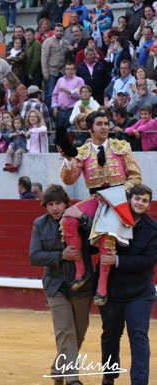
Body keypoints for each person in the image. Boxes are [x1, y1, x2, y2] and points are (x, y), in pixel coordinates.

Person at [60, 111, 142, 306]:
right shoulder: (82, 152)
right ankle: (82, 270)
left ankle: (102, 285)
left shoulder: (121, 147)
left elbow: (136, 176)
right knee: (67, 219)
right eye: (99, 124)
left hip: (118, 199)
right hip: (96, 198)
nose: (104, 127)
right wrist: (68, 160)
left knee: (108, 231)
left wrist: (120, 193)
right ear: (90, 129)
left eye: (106, 123)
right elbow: (68, 179)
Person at [29, 184, 94, 385]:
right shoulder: (40, 224)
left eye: (58, 203)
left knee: (79, 331)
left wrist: (85, 221)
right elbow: (34, 256)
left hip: (82, 285)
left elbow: (96, 241)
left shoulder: (80, 219)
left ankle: (59, 367)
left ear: (67, 203)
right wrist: (60, 255)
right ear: (45, 206)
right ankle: (73, 381)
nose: (55, 208)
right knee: (66, 332)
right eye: (50, 204)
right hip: (56, 285)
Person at [97, 184, 157, 385]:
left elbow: (149, 260)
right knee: (111, 334)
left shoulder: (152, 229)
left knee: (138, 336)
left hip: (140, 291)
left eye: (145, 201)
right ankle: (109, 376)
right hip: (113, 289)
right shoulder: (112, 218)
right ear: (130, 199)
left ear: (149, 205)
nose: (140, 203)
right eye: (137, 199)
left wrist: (118, 260)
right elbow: (97, 243)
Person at [41, 23, 69, 111]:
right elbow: (44, 58)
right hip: (51, 71)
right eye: (57, 31)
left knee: (62, 93)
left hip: (62, 70)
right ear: (53, 31)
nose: (59, 32)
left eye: (61, 31)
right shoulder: (48, 41)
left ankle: (59, 113)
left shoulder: (66, 42)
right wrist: (45, 73)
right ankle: (49, 114)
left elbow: (67, 57)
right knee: (50, 93)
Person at [52, 62, 84, 129]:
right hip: (60, 111)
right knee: (59, 133)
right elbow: (54, 95)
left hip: (72, 111)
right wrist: (55, 107)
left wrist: (68, 91)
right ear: (65, 71)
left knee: (70, 132)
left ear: (75, 71)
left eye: (72, 69)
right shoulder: (60, 80)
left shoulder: (79, 80)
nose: (70, 71)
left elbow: (80, 96)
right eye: (68, 69)